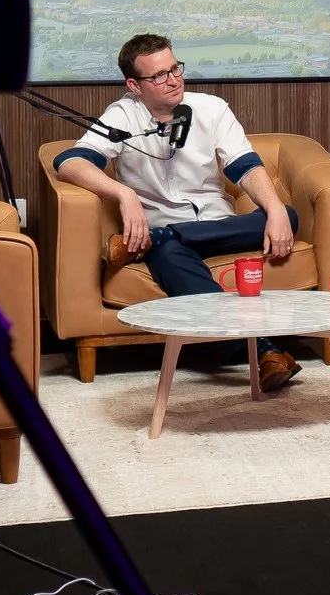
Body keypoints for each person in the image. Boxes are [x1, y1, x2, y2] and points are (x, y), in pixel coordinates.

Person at [51, 34, 302, 388]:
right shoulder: (122, 116)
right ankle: (264, 350)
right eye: (159, 76)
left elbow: (244, 165)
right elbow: (69, 162)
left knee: (287, 216)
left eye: (175, 69)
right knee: (170, 251)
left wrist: (274, 209)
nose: (173, 80)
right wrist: (124, 194)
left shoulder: (212, 108)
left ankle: (156, 239)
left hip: (219, 226)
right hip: (172, 240)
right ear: (134, 85)